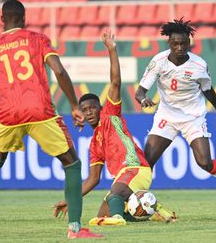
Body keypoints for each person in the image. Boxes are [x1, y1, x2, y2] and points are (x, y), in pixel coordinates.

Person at [0, 0, 102, 239]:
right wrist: (74, 105)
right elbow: (58, 71)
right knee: (72, 163)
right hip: (40, 110)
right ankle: (75, 229)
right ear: (24, 19)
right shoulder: (38, 39)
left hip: (9, 114)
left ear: (2, 20)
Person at [53, 31, 176, 226]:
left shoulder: (110, 115)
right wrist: (71, 200)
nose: (90, 112)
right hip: (123, 177)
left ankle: (120, 217)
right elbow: (93, 179)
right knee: (102, 214)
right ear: (82, 115)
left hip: (136, 168)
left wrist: (112, 49)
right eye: (85, 110)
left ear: (100, 108)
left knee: (114, 198)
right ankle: (153, 211)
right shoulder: (94, 144)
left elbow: (115, 82)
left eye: (93, 107)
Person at [135, 18, 216, 213]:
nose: (179, 47)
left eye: (183, 43)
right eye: (175, 43)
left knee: (204, 162)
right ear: (169, 42)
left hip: (193, 117)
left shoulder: (199, 65)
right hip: (167, 116)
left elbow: (208, 91)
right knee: (147, 162)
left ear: (189, 42)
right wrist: (143, 99)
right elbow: (139, 92)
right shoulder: (158, 62)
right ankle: (139, 204)